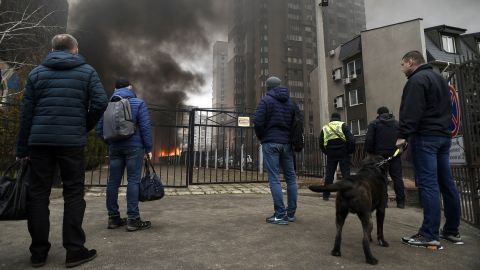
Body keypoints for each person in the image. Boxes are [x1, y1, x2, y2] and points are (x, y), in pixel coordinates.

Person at [16, 34, 108, 268]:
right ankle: (75, 251)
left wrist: (22, 148)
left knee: (38, 194)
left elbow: (26, 113)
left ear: (53, 49)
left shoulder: (37, 73)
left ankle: (38, 253)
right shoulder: (87, 72)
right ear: (75, 49)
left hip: (39, 143)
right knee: (74, 193)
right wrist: (82, 126)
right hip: (71, 143)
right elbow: (100, 103)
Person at [396, 50, 463, 247]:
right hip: (443, 137)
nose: (402, 69)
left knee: (428, 184)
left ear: (411, 61)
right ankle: (452, 231)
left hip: (425, 137)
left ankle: (429, 234)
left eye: (402, 65)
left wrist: (402, 135)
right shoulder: (440, 79)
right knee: (446, 183)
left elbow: (412, 110)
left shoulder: (416, 81)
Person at [96, 78, 153, 232]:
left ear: (115, 89)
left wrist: (111, 143)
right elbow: (146, 127)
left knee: (112, 182)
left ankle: (113, 218)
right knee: (133, 181)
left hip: (115, 148)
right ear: (130, 87)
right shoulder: (138, 103)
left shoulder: (108, 105)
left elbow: (99, 130)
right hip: (135, 148)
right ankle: (133, 220)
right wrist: (148, 148)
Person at [253, 76, 298, 225]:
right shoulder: (291, 103)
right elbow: (297, 123)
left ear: (268, 87)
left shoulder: (266, 101)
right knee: (291, 178)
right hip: (287, 143)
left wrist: (262, 136)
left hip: (271, 142)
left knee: (274, 178)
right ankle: (290, 213)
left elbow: (258, 122)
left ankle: (280, 214)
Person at [365, 106, 406, 208]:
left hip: (379, 156)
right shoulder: (397, 124)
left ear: (378, 114)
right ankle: (401, 202)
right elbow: (404, 139)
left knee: (381, 178)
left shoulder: (374, 124)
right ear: (389, 113)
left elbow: (369, 140)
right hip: (394, 155)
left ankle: (384, 202)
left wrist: (370, 152)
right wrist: (400, 151)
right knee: (397, 178)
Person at [319, 112, 355, 201]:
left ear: (331, 118)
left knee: (329, 174)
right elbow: (351, 140)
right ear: (339, 118)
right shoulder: (343, 125)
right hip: (343, 152)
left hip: (331, 152)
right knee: (346, 174)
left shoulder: (325, 127)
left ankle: (326, 195)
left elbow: (321, 143)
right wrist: (349, 151)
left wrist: (326, 152)